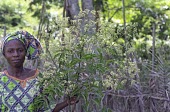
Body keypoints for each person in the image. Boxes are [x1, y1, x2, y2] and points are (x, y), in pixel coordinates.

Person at [0, 31, 78, 112]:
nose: (16, 54)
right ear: (4, 54)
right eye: (10, 51)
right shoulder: (1, 80)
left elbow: (48, 108)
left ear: (26, 52)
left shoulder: (39, 77)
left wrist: (67, 102)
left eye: (20, 50)